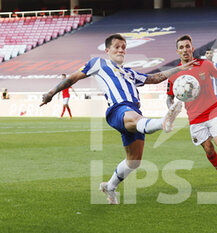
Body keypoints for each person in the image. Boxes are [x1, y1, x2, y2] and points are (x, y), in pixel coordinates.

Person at [40, 34, 194, 204]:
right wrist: (50, 93)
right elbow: (72, 78)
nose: (121, 50)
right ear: (107, 50)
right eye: (117, 47)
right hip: (118, 109)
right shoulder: (98, 63)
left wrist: (179, 69)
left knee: (134, 161)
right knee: (137, 119)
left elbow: (154, 78)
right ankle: (163, 122)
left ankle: (110, 186)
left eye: (124, 47)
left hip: (133, 112)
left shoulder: (129, 73)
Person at [167, 35, 217, 185]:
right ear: (177, 51)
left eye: (187, 46)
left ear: (192, 48)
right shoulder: (174, 74)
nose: (185, 50)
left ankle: (216, 133)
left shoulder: (205, 64)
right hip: (195, 117)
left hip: (212, 111)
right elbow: (169, 96)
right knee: (209, 149)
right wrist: (170, 111)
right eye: (181, 47)